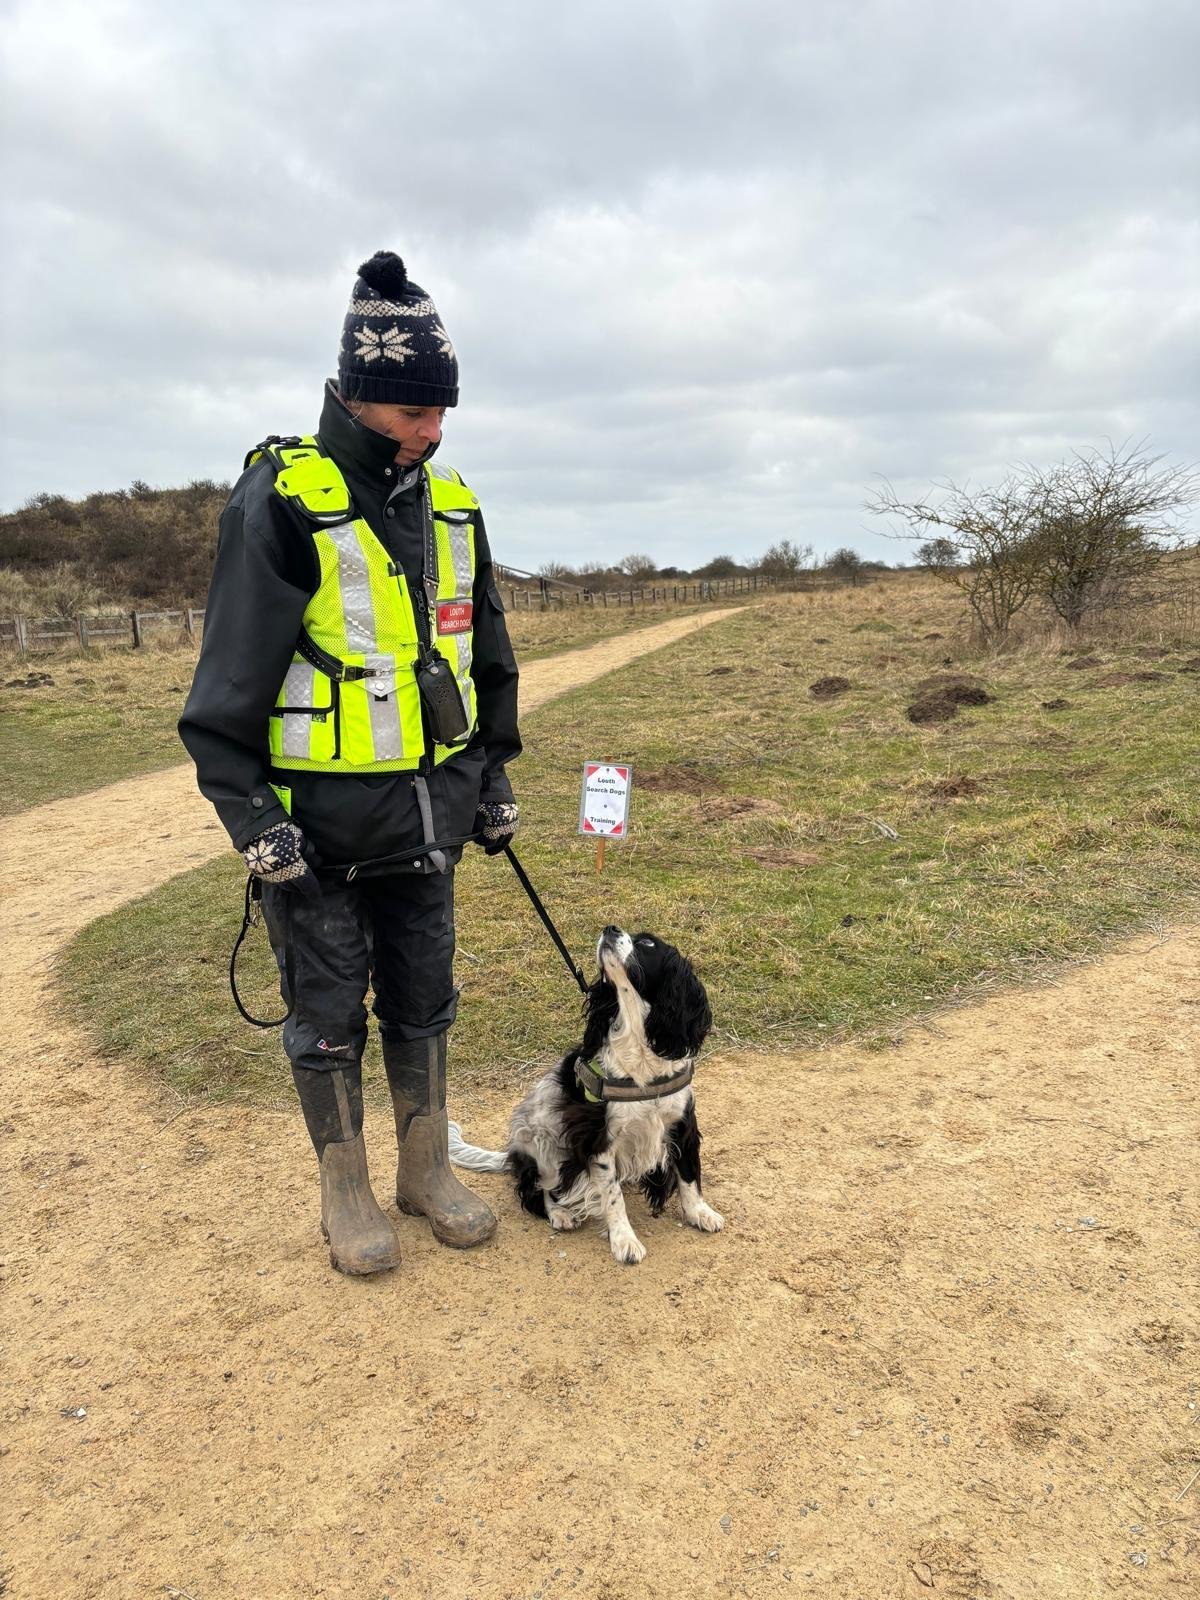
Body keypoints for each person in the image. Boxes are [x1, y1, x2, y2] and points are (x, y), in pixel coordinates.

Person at [180, 251, 521, 1276]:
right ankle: (347, 1195)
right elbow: (225, 688)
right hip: (314, 835)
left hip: (428, 820)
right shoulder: (281, 502)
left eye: (443, 409)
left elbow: (485, 654)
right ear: (364, 395)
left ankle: (426, 1171)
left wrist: (493, 776)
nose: (436, 429)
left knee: (426, 999)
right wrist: (252, 820)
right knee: (328, 1019)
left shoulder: (452, 503)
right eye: (419, 410)